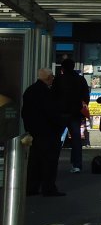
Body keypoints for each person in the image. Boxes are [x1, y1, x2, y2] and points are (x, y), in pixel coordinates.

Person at [22, 68, 64, 196]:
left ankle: (32, 187)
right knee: (49, 162)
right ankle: (48, 188)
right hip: (49, 132)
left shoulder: (29, 91)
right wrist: (59, 125)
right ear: (48, 78)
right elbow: (52, 113)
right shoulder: (47, 93)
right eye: (52, 77)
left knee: (35, 161)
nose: (53, 79)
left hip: (35, 131)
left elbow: (25, 112)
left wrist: (29, 128)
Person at [53, 58, 90, 173]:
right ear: (73, 67)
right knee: (76, 140)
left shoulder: (58, 79)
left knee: (55, 139)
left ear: (63, 68)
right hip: (75, 114)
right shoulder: (80, 79)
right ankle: (77, 165)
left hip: (61, 113)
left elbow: (53, 96)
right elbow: (86, 97)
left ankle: (52, 163)